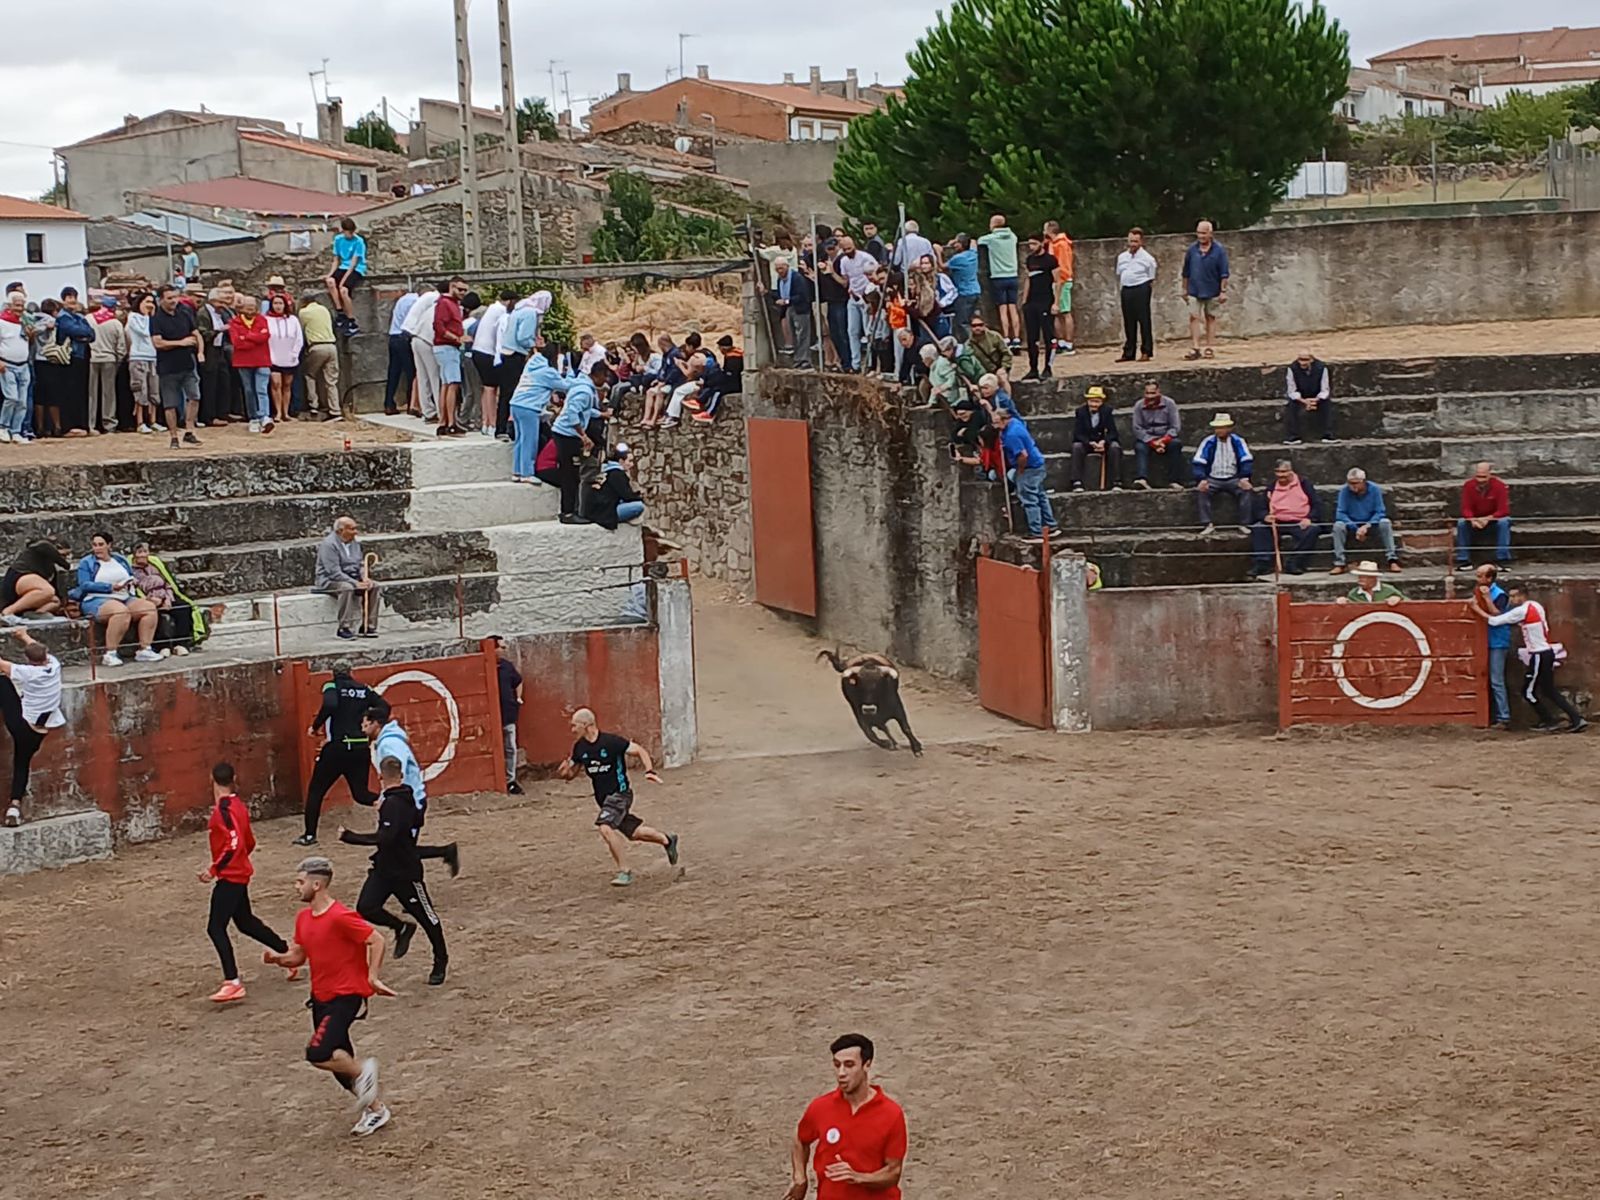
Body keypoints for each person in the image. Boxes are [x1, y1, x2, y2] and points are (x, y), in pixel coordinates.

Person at [261, 856, 396, 1137]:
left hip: (345, 997)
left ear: (317, 884)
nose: (296, 886)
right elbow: (299, 955)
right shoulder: (303, 919)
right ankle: (377, 1111)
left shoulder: (340, 917)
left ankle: (364, 1071)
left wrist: (372, 977)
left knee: (319, 1053)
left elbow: (376, 939)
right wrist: (279, 960)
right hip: (320, 998)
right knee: (338, 1062)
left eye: (300, 882)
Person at [340, 756, 449, 987]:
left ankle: (441, 960)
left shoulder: (392, 804)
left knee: (427, 916)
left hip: (404, 873)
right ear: (401, 776)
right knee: (367, 906)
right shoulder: (406, 800)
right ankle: (402, 927)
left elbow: (385, 838)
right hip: (386, 868)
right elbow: (415, 822)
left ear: (380, 777)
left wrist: (350, 837)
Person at [199, 762, 292, 1003]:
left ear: (212, 779)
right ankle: (286, 952)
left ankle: (233, 981)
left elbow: (234, 843)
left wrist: (214, 868)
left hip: (230, 876)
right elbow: (248, 842)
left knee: (215, 927)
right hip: (238, 873)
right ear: (233, 779)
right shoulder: (238, 805)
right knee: (245, 922)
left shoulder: (223, 810)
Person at [557, 707, 679, 888]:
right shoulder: (580, 748)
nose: (572, 730)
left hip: (620, 795)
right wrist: (564, 773)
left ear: (586, 725)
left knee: (605, 827)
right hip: (604, 801)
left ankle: (625, 871)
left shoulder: (611, 742)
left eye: (574, 726)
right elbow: (572, 774)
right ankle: (667, 840)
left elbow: (640, 751)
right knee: (634, 833)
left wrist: (649, 771)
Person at [785, 1033, 908, 1200]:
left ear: (867, 1065)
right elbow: (800, 1139)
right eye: (837, 1065)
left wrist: (858, 1177)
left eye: (849, 1065)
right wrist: (799, 1177)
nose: (841, 1073)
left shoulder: (891, 1114)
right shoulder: (821, 1107)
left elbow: (893, 1172)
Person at [359, 699, 460, 875]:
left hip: (406, 802)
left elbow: (395, 773)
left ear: (375, 724)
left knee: (400, 848)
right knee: (400, 846)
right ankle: (444, 852)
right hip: (407, 799)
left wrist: (386, 799)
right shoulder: (389, 741)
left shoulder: (389, 744)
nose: (362, 728)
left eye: (365, 724)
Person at [1472, 584, 1587, 733]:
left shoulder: (1521, 611)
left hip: (1538, 654)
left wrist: (1476, 609)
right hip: (1545, 652)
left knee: (1528, 692)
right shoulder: (1535, 606)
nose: (1511, 599)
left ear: (1522, 596)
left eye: (1514, 596)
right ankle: (1575, 719)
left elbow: (1495, 621)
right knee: (1549, 690)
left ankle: (1549, 720)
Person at [296, 661, 377, 846]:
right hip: (359, 747)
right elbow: (384, 707)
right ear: (351, 672)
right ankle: (394, 803)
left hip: (337, 748)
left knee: (316, 791)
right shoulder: (363, 690)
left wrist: (315, 726)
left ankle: (309, 835)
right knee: (361, 794)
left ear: (334, 673)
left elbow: (331, 704)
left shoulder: (331, 685)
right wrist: (371, 727)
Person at [0, 627, 64, 827]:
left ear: (29, 660)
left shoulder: (27, 672)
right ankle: (14, 806)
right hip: (40, 732)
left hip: (23, 727)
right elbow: (35, 648)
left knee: (2, 681)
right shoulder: (55, 665)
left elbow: (3, 666)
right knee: (21, 764)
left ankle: (14, 807)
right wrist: (23, 636)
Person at [71, 532, 161, 666]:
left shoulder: (119, 559)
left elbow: (130, 574)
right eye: (94, 545)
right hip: (96, 599)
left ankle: (145, 649)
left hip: (125, 596)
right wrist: (109, 587)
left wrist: (132, 582)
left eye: (101, 545)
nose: (97, 548)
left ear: (109, 545)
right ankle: (110, 653)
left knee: (149, 608)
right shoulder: (87, 562)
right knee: (121, 612)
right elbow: (84, 585)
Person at [149, 285, 203, 448]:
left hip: (187, 363)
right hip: (168, 366)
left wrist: (200, 352)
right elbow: (157, 343)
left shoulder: (184, 312)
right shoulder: (156, 319)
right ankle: (173, 436)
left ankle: (189, 430)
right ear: (161, 300)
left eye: (175, 297)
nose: (174, 301)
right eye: (169, 298)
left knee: (195, 396)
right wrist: (181, 343)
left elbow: (196, 333)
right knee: (170, 403)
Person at [1249, 460, 1323, 579]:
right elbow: (1261, 508)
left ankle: (1294, 563)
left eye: (1284, 472)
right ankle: (1263, 563)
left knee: (1312, 530)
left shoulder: (1304, 484)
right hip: (1276, 521)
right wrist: (1265, 516)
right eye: (1277, 472)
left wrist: (1310, 518)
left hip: (1299, 521)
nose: (1280, 475)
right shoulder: (1272, 487)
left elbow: (1317, 504)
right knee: (1259, 528)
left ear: (1291, 471)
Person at [993, 406, 1057, 540]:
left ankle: (1036, 531)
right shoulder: (1016, 423)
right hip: (1037, 463)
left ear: (1005, 420)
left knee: (1029, 498)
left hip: (1029, 468)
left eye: (997, 422)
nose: (995, 426)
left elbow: (1023, 455)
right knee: (1040, 495)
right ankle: (1050, 525)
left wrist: (1020, 470)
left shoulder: (1011, 435)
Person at [130, 541, 205, 654]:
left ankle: (181, 643)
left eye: (145, 552)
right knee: (155, 613)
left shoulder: (155, 565)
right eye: (139, 552)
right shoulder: (131, 570)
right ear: (134, 554)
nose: (143, 555)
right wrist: (151, 600)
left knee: (183, 607)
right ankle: (162, 646)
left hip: (165, 595)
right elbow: (135, 589)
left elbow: (168, 583)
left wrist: (167, 599)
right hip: (148, 599)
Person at [509, 344, 568, 482]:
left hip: (516, 404)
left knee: (520, 440)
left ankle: (517, 471)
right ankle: (527, 473)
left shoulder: (531, 366)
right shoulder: (548, 372)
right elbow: (565, 386)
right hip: (529, 408)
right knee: (530, 440)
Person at [314, 517, 380, 640]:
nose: (355, 532)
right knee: (347, 588)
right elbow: (333, 572)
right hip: (330, 580)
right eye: (352, 529)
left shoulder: (355, 543)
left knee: (374, 586)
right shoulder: (329, 545)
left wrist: (364, 577)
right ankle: (344, 627)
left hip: (351, 577)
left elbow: (360, 564)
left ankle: (369, 625)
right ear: (340, 531)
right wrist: (355, 583)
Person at [552, 355, 599, 522]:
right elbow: (573, 413)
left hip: (566, 434)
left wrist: (601, 414)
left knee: (572, 474)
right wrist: (583, 435)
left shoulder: (580, 387)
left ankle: (571, 510)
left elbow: (583, 411)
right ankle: (568, 512)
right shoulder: (585, 392)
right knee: (569, 475)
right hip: (567, 435)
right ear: (598, 375)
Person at [497, 291, 550, 439]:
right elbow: (523, 337)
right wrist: (535, 344)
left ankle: (501, 426)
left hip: (506, 353)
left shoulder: (520, 310)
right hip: (515, 355)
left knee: (506, 393)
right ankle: (506, 428)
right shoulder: (530, 313)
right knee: (513, 392)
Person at [1192, 413, 1255, 534]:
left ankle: (1244, 523)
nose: (1219, 430)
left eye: (1222, 427)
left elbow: (1246, 459)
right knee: (1202, 491)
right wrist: (1202, 479)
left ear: (1229, 428)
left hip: (1233, 478)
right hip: (1213, 478)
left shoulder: (1238, 441)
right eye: (1217, 428)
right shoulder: (1208, 442)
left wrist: (1244, 477)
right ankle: (1207, 523)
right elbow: (1199, 461)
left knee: (1246, 491)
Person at [1330, 467, 1400, 575]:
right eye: (1350, 483)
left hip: (1371, 523)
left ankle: (1392, 560)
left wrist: (1367, 526)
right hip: (1352, 524)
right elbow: (1340, 513)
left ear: (1363, 482)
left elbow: (1380, 511)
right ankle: (1339, 563)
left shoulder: (1374, 489)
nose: (1352, 486)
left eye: (1356, 483)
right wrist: (1355, 528)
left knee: (1385, 523)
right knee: (1338, 526)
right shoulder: (1344, 491)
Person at [1181, 220, 1230, 360]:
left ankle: (1210, 347)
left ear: (1210, 233)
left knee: (1211, 317)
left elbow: (1224, 273)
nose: (1200, 236)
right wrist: (1184, 289)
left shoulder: (1219, 250)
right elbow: (1186, 271)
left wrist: (1223, 291)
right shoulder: (1192, 250)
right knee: (1194, 317)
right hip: (1194, 289)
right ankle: (1195, 347)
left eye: (1203, 233)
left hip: (1213, 289)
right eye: (1198, 232)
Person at [1474, 563, 1513, 728]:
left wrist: (1487, 598)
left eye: (1480, 576)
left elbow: (1497, 615)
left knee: (1496, 680)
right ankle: (1494, 715)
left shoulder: (1500, 595)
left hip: (1497, 641)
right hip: (1487, 640)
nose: (1477, 579)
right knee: (1489, 678)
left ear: (1489, 578)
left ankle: (1503, 717)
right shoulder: (1482, 591)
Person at [831, 235, 878, 373]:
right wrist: (832, 273)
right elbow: (845, 280)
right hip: (853, 297)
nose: (847, 251)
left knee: (868, 330)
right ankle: (855, 363)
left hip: (866, 297)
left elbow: (875, 274)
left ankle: (869, 362)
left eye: (849, 248)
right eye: (844, 249)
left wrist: (870, 293)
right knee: (852, 331)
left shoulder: (866, 257)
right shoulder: (844, 261)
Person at [228, 294, 273, 433]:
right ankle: (253, 418)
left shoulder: (262, 320)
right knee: (248, 390)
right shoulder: (234, 322)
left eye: (252, 307)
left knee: (261, 389)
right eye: (247, 307)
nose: (250, 310)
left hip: (262, 360)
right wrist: (255, 337)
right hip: (243, 361)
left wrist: (246, 336)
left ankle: (264, 416)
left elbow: (265, 336)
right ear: (242, 308)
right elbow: (237, 342)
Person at [470, 289, 513, 435]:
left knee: (487, 387)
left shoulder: (492, 308)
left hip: (478, 350)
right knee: (492, 389)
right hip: (488, 352)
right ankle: (492, 423)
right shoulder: (501, 311)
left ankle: (485, 422)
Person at [1456, 460, 1512, 570]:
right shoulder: (1468, 485)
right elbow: (1466, 508)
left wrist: (1488, 519)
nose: (1480, 480)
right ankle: (1464, 559)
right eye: (1478, 476)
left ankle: (1502, 559)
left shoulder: (1499, 486)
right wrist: (1472, 519)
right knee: (1461, 523)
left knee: (1504, 522)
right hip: (1475, 520)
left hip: (1494, 520)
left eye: (1483, 477)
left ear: (1490, 475)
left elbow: (1503, 509)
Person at [1131, 381, 1185, 490]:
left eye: (1153, 393)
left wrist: (1163, 441)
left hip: (1165, 436)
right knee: (1140, 447)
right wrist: (1152, 442)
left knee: (1176, 444)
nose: (1150, 396)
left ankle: (1174, 480)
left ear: (1159, 392)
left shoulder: (1170, 403)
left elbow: (1175, 427)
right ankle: (1142, 479)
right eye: (1147, 393)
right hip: (1147, 438)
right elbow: (1137, 428)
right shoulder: (1139, 406)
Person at [1, 537, 71, 622]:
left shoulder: (51, 569)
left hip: (30, 591)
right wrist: (65, 564)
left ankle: (34, 614)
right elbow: (43, 546)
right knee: (47, 591)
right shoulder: (41, 547)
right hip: (19, 577)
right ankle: (7, 613)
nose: (65, 557)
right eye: (63, 555)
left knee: (55, 601)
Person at [432, 277, 469, 436]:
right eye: (460, 289)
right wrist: (457, 338)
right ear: (452, 287)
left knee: (447, 385)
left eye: (465, 290)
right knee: (452, 384)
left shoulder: (451, 304)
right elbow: (438, 326)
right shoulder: (445, 303)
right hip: (447, 347)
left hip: (446, 347)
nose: (463, 293)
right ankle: (450, 422)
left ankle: (445, 422)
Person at [977, 215, 1020, 349]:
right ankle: (1017, 338)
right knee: (1013, 308)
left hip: (998, 276)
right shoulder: (1013, 237)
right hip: (1013, 275)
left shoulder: (991, 239)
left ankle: (1006, 337)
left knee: (1003, 309)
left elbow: (979, 241)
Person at [1115, 227, 1157, 362]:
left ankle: (1146, 351)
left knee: (1144, 320)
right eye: (1131, 241)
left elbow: (1151, 277)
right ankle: (1129, 352)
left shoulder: (1148, 259)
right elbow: (1119, 273)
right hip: (1126, 288)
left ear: (1141, 242)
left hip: (1141, 288)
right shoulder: (1122, 257)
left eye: (1136, 241)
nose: (1133, 244)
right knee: (1128, 321)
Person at [402, 281, 443, 422]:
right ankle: (440, 410)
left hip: (416, 336)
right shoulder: (437, 300)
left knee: (422, 376)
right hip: (426, 339)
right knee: (434, 377)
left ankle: (428, 411)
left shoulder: (431, 302)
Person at [1069, 385, 1122, 492]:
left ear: (1102, 401)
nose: (1094, 404)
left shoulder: (1107, 411)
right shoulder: (1081, 412)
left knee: (1115, 447)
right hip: (1088, 443)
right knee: (1076, 447)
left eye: (1097, 401)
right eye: (1091, 401)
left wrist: (1104, 442)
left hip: (1103, 443)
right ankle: (1076, 482)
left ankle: (1117, 481)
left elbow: (1113, 432)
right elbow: (1078, 434)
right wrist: (1090, 443)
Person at [88, 295, 128, 435]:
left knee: (91, 393)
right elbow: (121, 347)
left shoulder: (90, 319)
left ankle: (91, 424)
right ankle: (109, 424)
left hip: (92, 358)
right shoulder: (116, 323)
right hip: (110, 358)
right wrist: (118, 360)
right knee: (108, 394)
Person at [1020, 234, 1057, 381]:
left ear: (1042, 243)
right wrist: (1024, 301)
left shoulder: (1050, 260)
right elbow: (1028, 280)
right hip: (1032, 302)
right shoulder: (1030, 260)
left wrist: (1056, 303)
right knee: (1031, 338)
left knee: (1048, 336)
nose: (1031, 247)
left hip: (1046, 301)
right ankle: (1033, 368)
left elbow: (1058, 281)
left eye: (1034, 244)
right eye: (1029, 244)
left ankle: (1048, 367)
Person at [298, 293, 341, 420]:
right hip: (331, 346)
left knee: (309, 375)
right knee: (331, 380)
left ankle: (314, 405)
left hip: (317, 346)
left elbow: (300, 330)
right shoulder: (324, 309)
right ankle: (335, 409)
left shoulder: (304, 312)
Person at [492, 636, 524, 795]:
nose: (504, 650)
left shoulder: (506, 666)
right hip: (490, 719)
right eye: (501, 647)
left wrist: (518, 699)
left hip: (508, 714)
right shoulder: (483, 667)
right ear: (493, 649)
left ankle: (510, 780)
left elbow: (518, 681)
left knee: (510, 748)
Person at [265, 293, 303, 426]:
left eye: (280, 303)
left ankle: (286, 412)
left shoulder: (293, 320)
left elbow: (299, 338)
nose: (278, 306)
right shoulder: (267, 319)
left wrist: (295, 353)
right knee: (276, 384)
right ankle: (278, 412)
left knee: (287, 386)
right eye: (275, 303)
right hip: (273, 357)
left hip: (289, 357)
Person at [588, 443, 645, 530]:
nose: (632, 464)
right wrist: (639, 497)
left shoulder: (608, 471)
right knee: (639, 506)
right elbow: (626, 495)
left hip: (602, 508)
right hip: (607, 512)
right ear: (621, 461)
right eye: (629, 461)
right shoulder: (617, 474)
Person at [0, 290, 33, 442]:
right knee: (11, 397)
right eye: (17, 305)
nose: (19, 309)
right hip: (7, 364)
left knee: (22, 401)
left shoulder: (25, 322)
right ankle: (3, 427)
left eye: (22, 305)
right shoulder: (2, 322)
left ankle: (16, 430)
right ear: (9, 306)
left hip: (24, 365)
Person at [769, 257, 814, 368]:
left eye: (782, 268)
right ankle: (798, 358)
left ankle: (804, 359)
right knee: (793, 334)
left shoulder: (797, 278)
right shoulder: (780, 280)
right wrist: (767, 292)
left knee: (802, 334)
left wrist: (787, 301)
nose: (780, 271)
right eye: (778, 269)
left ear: (787, 266)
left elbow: (803, 295)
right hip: (789, 308)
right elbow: (780, 294)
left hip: (800, 308)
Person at [125, 293, 160, 433]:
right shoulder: (133, 317)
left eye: (152, 302)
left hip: (152, 356)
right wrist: (147, 316)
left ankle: (153, 420)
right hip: (138, 356)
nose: (150, 305)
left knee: (154, 390)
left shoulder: (153, 319)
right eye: (147, 302)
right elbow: (145, 332)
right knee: (140, 390)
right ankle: (140, 422)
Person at [383, 284, 420, 416]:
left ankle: (389, 403)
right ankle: (413, 403)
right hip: (404, 337)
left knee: (394, 372)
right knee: (412, 372)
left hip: (393, 336)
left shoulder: (402, 300)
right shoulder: (415, 301)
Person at [326, 217, 367, 334]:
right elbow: (336, 259)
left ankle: (351, 319)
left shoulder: (359, 241)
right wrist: (330, 274)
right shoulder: (338, 240)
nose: (351, 234)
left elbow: (354, 263)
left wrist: (343, 281)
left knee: (344, 290)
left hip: (356, 268)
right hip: (343, 266)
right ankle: (340, 311)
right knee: (330, 282)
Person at [1284, 351, 1333, 443]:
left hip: (1316, 395)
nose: (1302, 363)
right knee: (1291, 405)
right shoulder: (1292, 369)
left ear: (1312, 360)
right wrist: (1303, 401)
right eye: (1300, 360)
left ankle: (1328, 435)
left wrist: (1316, 399)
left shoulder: (1322, 368)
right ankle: (1293, 436)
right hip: (1301, 396)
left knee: (1327, 404)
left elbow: (1325, 389)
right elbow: (1291, 390)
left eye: (1305, 360)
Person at [941, 234, 982, 342]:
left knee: (962, 323)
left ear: (961, 245)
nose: (954, 245)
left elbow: (942, 267)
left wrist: (937, 251)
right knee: (971, 320)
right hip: (975, 291)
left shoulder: (958, 259)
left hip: (964, 294)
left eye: (957, 243)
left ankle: (970, 345)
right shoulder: (972, 254)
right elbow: (973, 240)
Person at [1044, 219, 1076, 355]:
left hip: (1061, 281)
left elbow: (1062, 266)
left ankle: (1068, 343)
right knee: (1058, 313)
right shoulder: (1054, 244)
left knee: (1065, 312)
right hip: (1057, 281)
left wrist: (1059, 281)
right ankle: (1061, 341)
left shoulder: (1060, 245)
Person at [1336, 560, 1406, 606]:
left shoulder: (1389, 590)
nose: (1360, 580)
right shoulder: (1354, 593)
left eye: (1365, 577)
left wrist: (1398, 599)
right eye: (1360, 577)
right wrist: (1343, 601)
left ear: (1374, 578)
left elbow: (1410, 603)